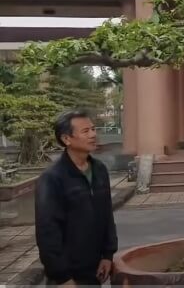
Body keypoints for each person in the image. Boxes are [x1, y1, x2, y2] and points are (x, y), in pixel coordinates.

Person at [35, 110, 117, 286]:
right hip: (68, 276)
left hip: (95, 270)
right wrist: (62, 277)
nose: (94, 135)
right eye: (85, 131)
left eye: (93, 129)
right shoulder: (52, 178)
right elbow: (47, 232)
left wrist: (107, 255)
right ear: (66, 139)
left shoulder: (99, 170)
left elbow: (106, 214)